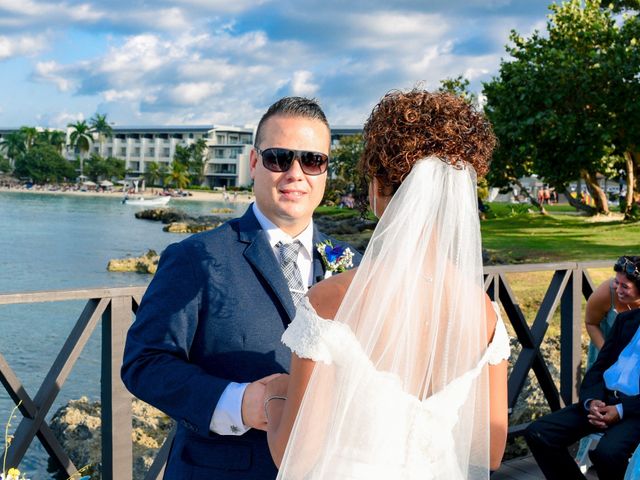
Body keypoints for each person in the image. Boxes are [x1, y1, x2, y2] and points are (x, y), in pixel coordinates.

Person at [263, 89, 509, 479]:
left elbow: (295, 455)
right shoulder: (485, 311)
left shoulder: (330, 301)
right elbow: (491, 452)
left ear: (378, 187)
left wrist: (274, 399)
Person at [121, 97, 361, 479]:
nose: (295, 173)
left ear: (326, 171)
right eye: (279, 158)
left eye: (312, 160)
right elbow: (144, 363)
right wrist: (238, 402)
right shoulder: (195, 256)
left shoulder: (353, 263)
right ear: (253, 163)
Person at [525, 257, 640, 480]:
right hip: (604, 399)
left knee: (607, 453)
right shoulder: (625, 320)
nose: (616, 289)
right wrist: (593, 401)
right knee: (539, 433)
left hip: (634, 410)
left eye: (624, 285)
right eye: (616, 283)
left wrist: (621, 411)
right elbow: (599, 367)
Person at [585, 256, 640, 367]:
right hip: (608, 361)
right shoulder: (607, 292)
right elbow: (591, 323)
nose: (618, 290)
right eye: (616, 282)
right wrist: (608, 356)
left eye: (625, 286)